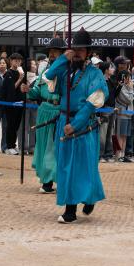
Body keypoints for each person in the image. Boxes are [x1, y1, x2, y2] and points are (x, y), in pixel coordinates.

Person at [43, 28, 107, 223]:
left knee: (83, 166)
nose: (77, 52)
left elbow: (92, 103)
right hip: (63, 122)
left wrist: (76, 124)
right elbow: (49, 75)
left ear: (88, 52)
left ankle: (78, 205)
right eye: (75, 49)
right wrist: (63, 58)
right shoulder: (65, 70)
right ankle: (72, 205)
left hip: (83, 125)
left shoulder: (95, 74)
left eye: (81, 49)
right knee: (65, 167)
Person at [30, 37, 67, 194]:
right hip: (43, 110)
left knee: (54, 147)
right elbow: (36, 91)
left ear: (62, 53)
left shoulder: (67, 72)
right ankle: (46, 179)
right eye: (50, 52)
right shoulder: (45, 71)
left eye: (55, 52)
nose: (52, 54)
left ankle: (52, 181)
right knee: (43, 146)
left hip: (58, 111)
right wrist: (28, 90)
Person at [0, 53, 27, 156]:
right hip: (10, 104)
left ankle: (13, 145)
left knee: (16, 125)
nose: (18, 62)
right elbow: (11, 89)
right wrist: (20, 78)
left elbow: (22, 88)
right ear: (11, 61)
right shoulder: (8, 74)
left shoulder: (21, 72)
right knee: (10, 125)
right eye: (15, 60)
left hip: (20, 103)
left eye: (19, 61)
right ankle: (9, 146)